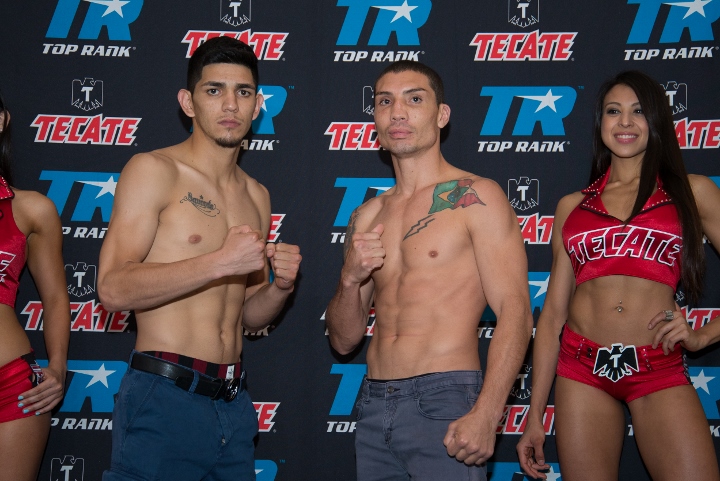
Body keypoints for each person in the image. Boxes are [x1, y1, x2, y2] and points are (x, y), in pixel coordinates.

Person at [98, 37, 301, 481]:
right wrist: (218, 262)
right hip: (164, 394)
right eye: (214, 90)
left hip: (233, 403)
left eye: (243, 92)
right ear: (188, 103)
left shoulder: (256, 195)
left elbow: (247, 315)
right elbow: (112, 289)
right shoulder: (153, 170)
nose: (230, 104)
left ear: (257, 105)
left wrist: (279, 289)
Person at [326, 60, 533, 481]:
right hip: (373, 401)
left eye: (414, 99)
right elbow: (344, 340)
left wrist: (488, 412)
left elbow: (517, 311)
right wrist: (349, 279)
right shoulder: (367, 215)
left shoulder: (476, 196)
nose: (397, 112)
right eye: (385, 102)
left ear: (441, 115)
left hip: (447, 399)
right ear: (375, 118)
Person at [516, 70, 720, 481]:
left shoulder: (691, 191)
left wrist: (703, 334)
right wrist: (534, 415)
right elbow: (553, 316)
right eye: (614, 111)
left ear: (658, 121)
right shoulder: (572, 206)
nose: (625, 122)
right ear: (600, 123)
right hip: (582, 370)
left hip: (657, 367)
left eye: (638, 111)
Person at [0, 92, 70, 481]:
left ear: (1, 122)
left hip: (13, 388)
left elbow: (57, 298)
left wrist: (58, 366)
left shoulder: (31, 209)